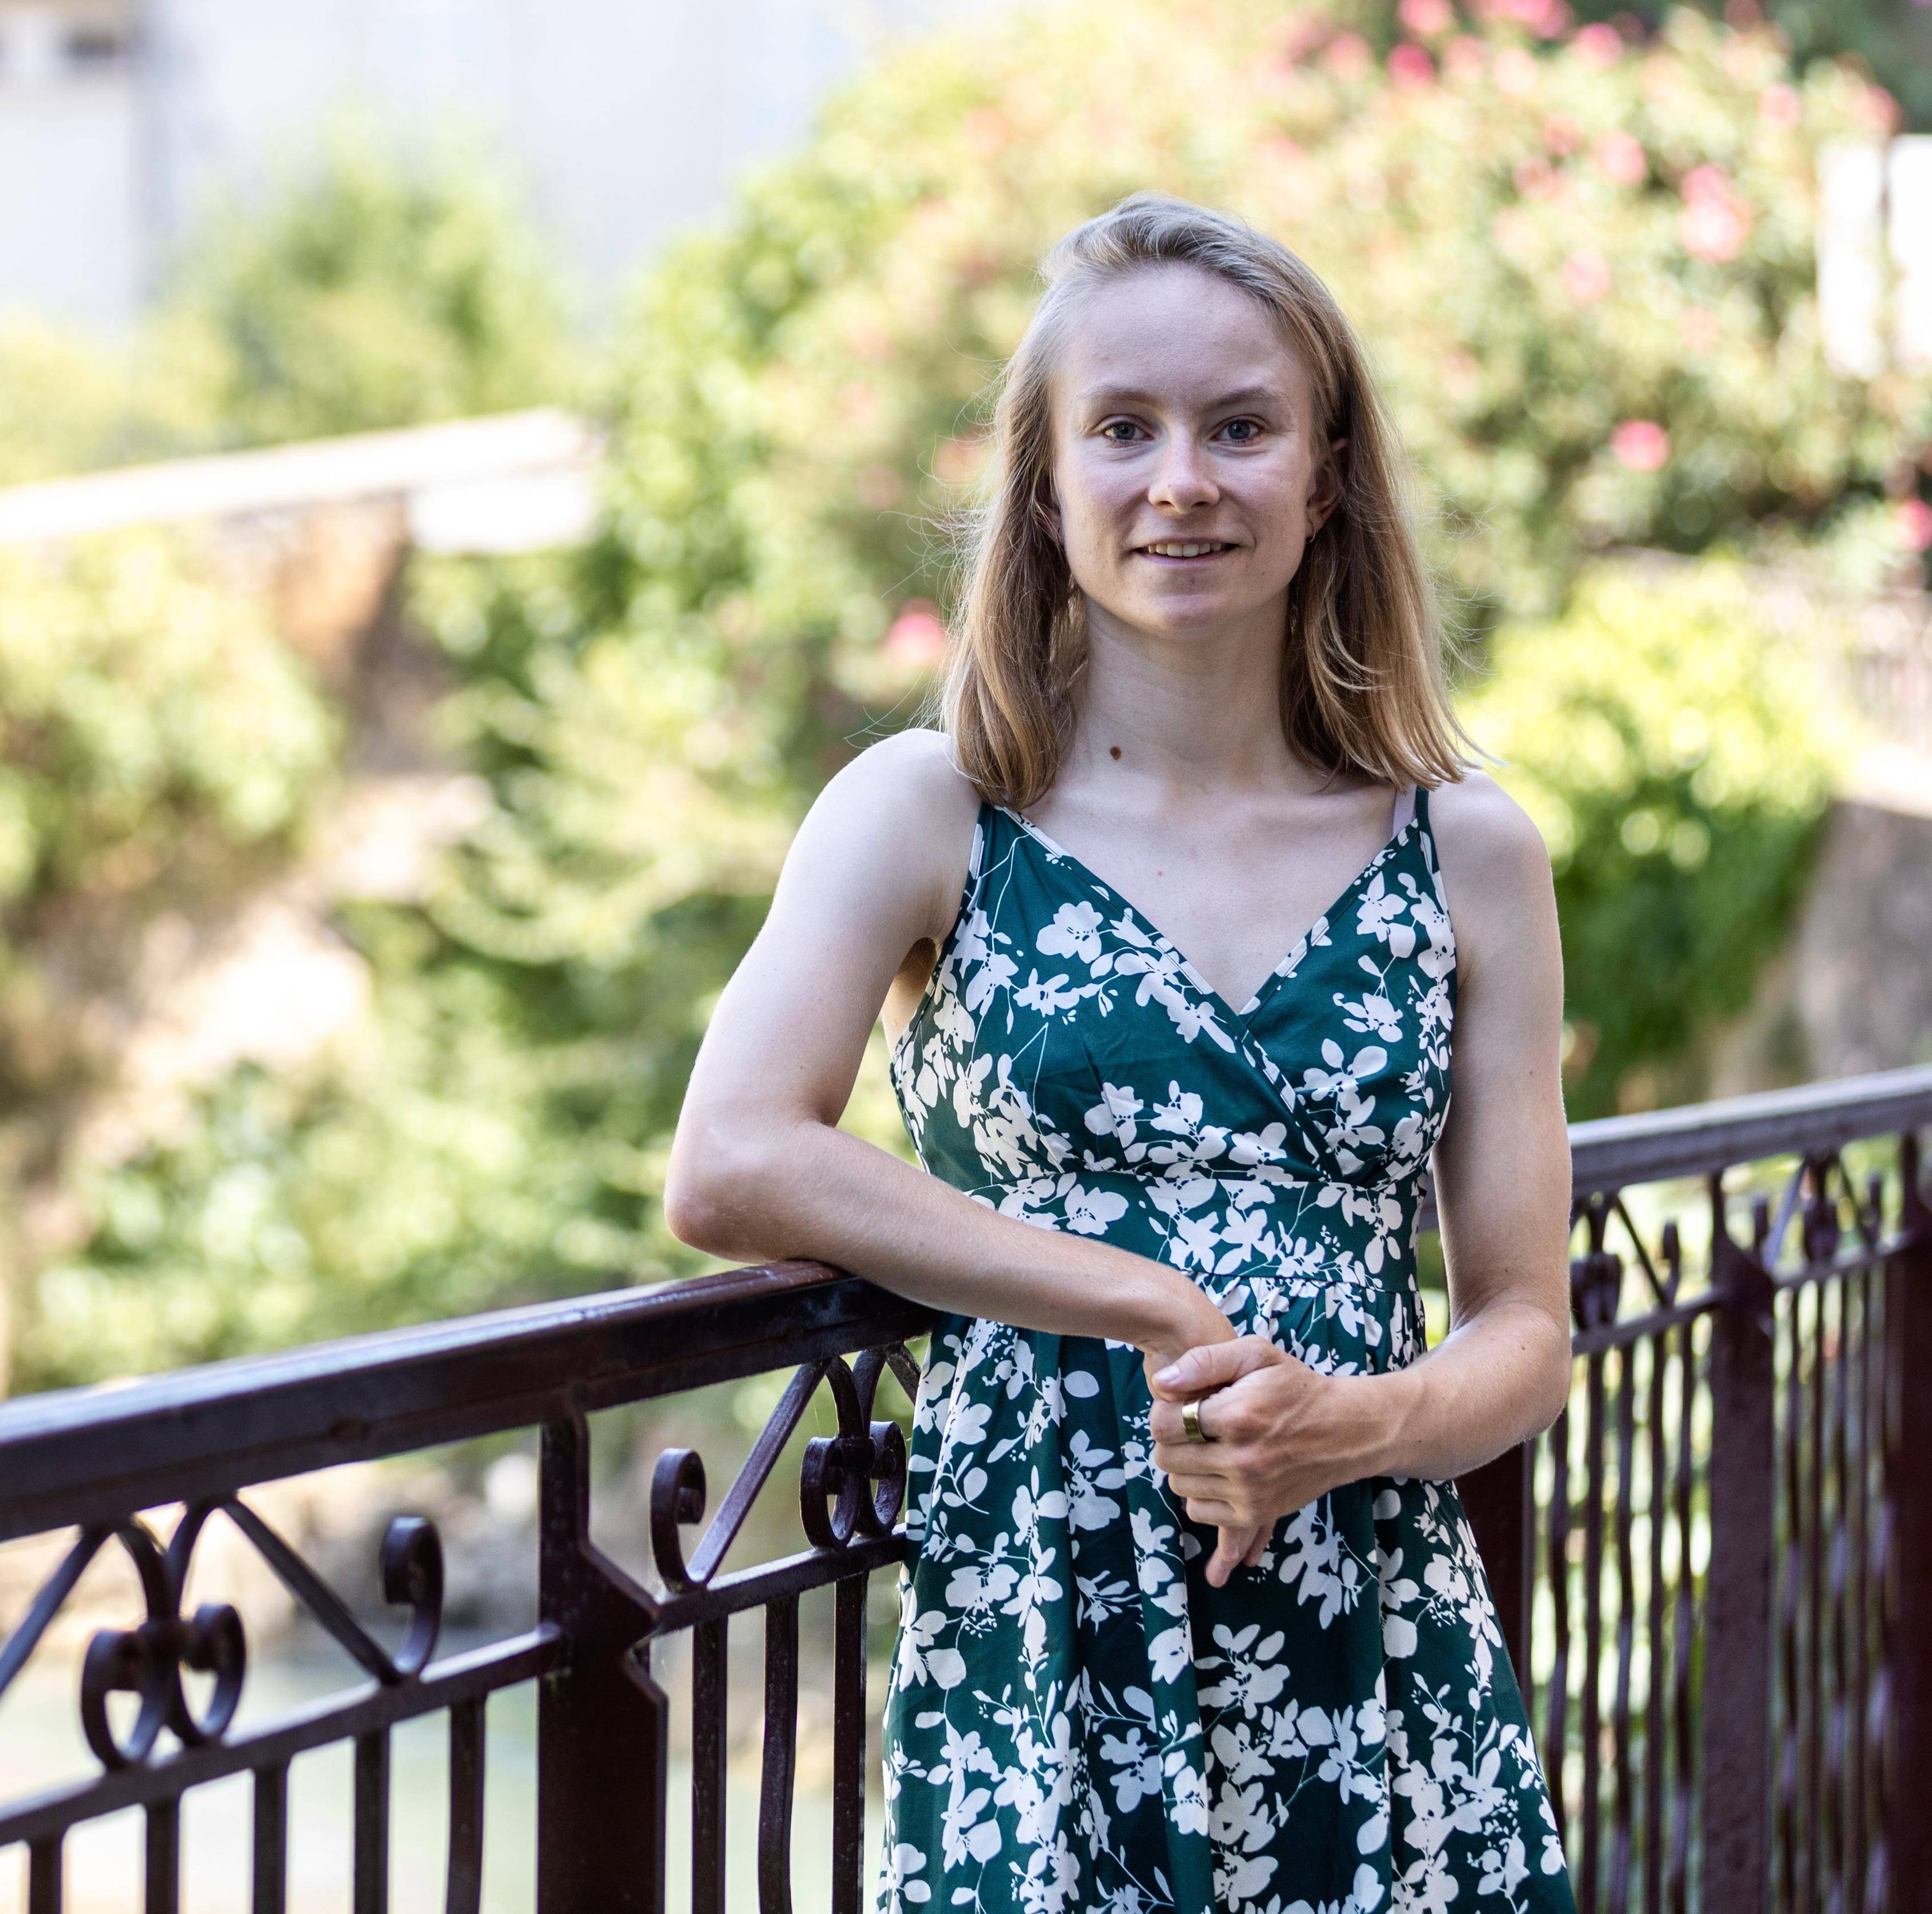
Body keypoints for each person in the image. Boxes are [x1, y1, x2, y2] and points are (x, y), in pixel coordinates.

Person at [664, 193, 1576, 1912]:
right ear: (1049, 488)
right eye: (1126, 430)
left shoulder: (1469, 852)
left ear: (1325, 480)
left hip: (1367, 1639)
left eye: (1242, 428)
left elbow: (1528, 1330)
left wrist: (1358, 1423)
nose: (1184, 482)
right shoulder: (925, 809)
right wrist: (1143, 1300)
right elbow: (731, 1160)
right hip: (1048, 1627)